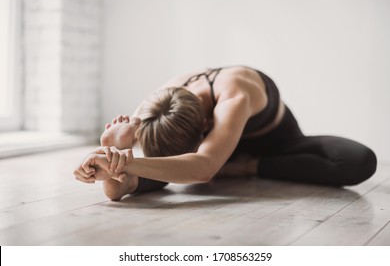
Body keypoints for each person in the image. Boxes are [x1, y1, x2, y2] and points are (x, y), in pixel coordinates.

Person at [73, 66, 377, 201]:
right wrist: (114, 156)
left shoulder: (235, 93)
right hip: (204, 152)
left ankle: (243, 167)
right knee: (133, 177)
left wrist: (127, 162)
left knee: (359, 160)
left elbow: (203, 169)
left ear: (206, 127)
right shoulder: (160, 101)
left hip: (276, 145)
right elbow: (157, 149)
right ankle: (117, 183)